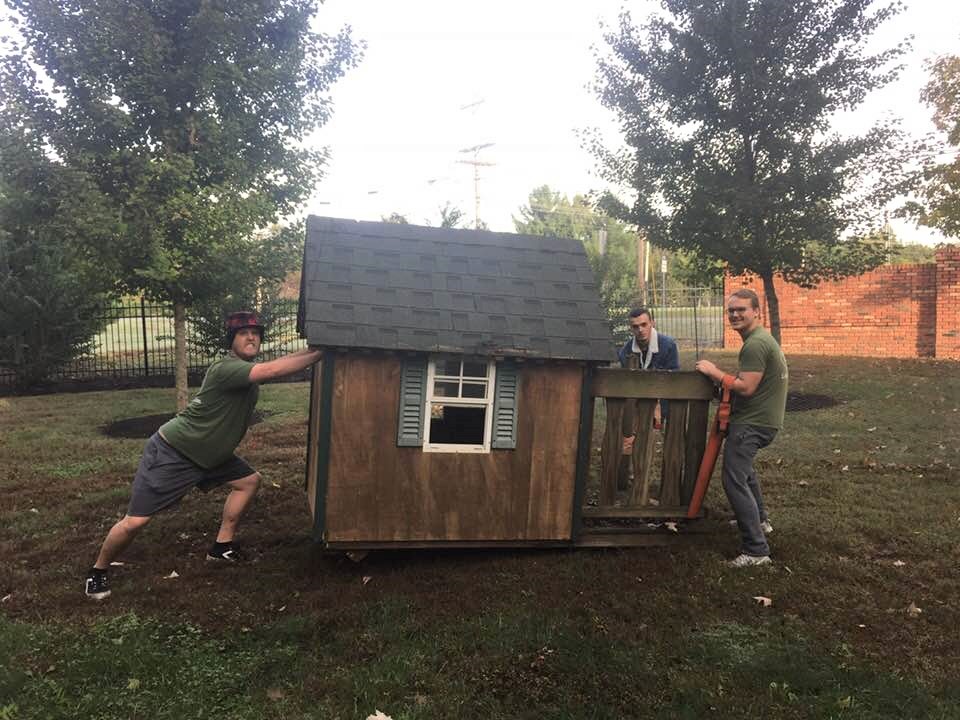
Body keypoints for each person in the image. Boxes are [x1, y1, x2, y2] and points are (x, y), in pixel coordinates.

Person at [85, 311, 323, 600]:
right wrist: (320, 354)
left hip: (211, 455)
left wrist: (315, 347)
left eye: (256, 333)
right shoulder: (226, 368)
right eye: (243, 333)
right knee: (136, 521)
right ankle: (97, 572)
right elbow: (272, 371)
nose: (251, 337)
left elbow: (274, 364)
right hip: (175, 451)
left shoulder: (244, 367)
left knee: (248, 481)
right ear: (231, 340)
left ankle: (222, 547)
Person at [695, 289, 788, 568]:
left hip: (753, 423)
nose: (735, 314)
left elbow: (746, 387)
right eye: (731, 310)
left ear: (756, 312)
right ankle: (760, 520)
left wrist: (714, 372)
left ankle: (756, 550)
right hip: (763, 420)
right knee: (744, 473)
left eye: (741, 310)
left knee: (733, 479)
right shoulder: (760, 340)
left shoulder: (755, 344)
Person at [617, 307, 680, 453]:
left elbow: (674, 378)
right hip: (636, 401)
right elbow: (627, 384)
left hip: (664, 399)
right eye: (635, 326)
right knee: (631, 442)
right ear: (631, 329)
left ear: (652, 323)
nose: (640, 329)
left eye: (644, 324)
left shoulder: (668, 345)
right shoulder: (625, 352)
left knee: (670, 443)